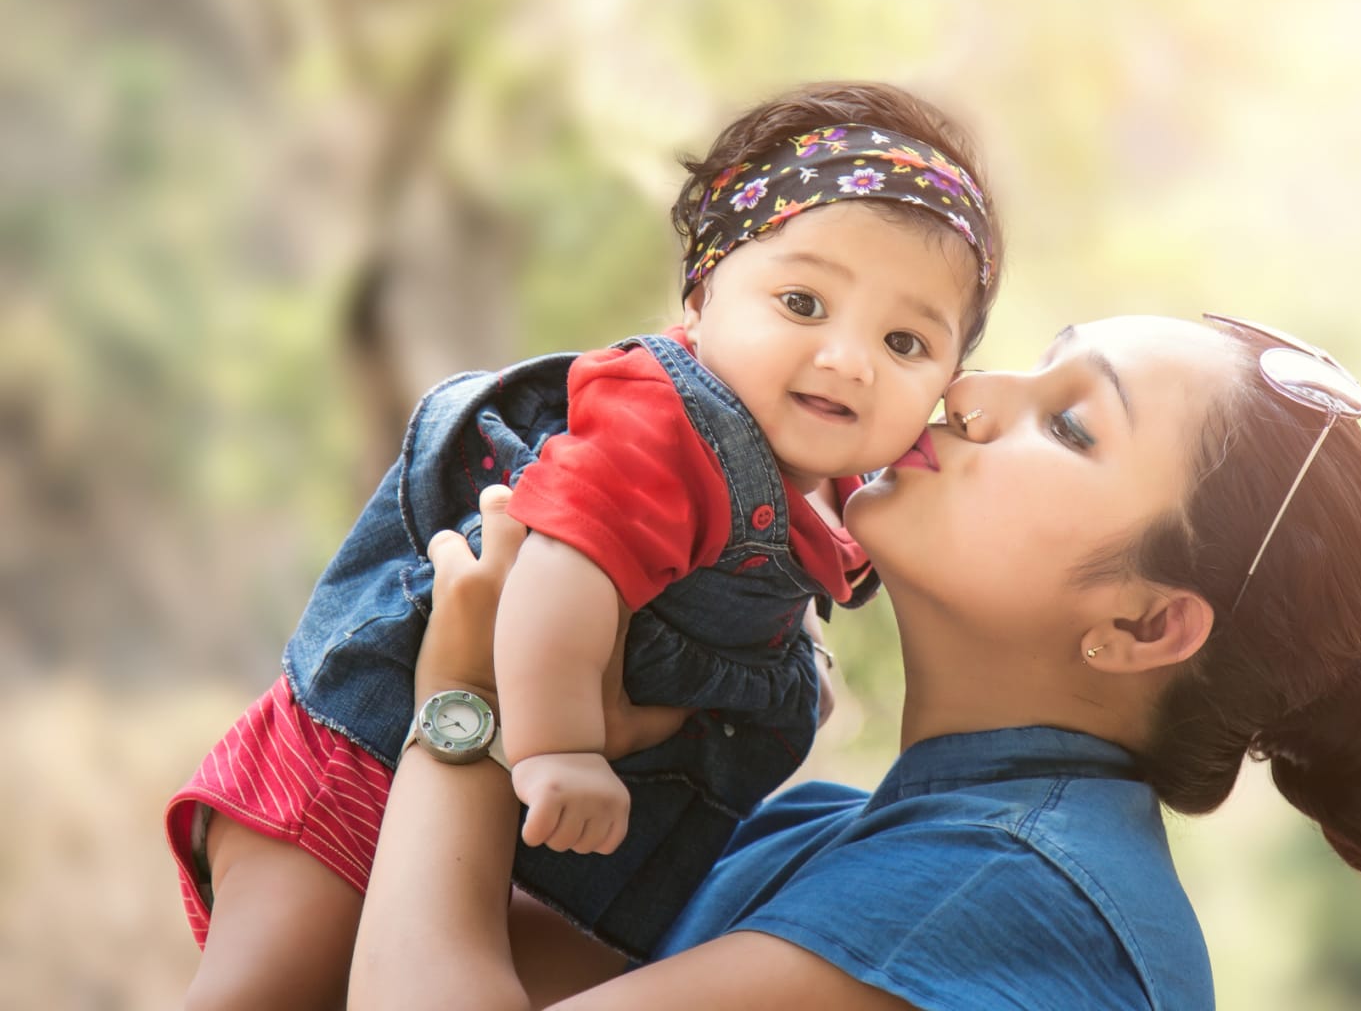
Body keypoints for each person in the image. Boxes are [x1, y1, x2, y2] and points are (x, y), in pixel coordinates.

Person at [348, 314, 1361, 1010]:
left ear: (1144, 627)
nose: (965, 392)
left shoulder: (999, 893)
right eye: (1037, 360)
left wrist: (466, 702)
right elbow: (440, 952)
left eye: (1070, 425)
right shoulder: (838, 838)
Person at [168, 83, 1006, 1008]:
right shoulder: (665, 423)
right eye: (803, 302)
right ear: (701, 294)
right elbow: (560, 574)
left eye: (903, 341)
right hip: (356, 757)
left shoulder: (844, 501)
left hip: (507, 834)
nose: (850, 359)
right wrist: (559, 749)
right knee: (262, 985)